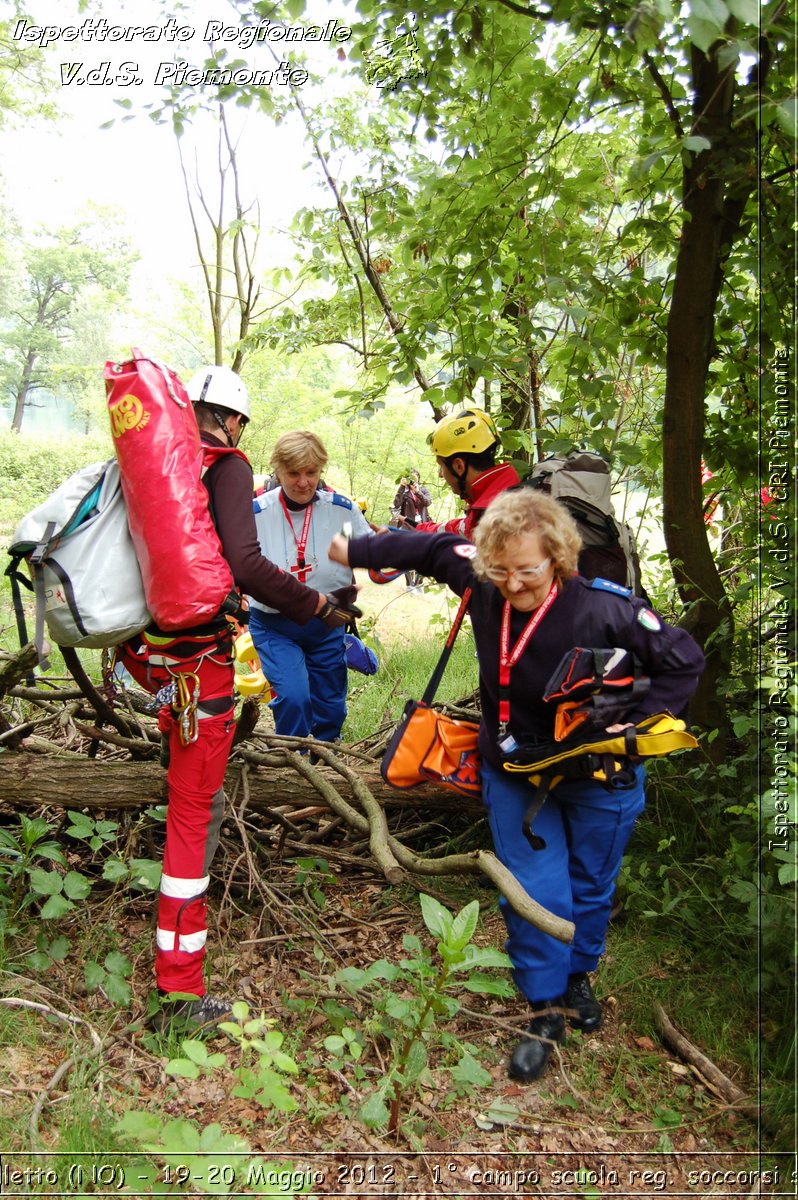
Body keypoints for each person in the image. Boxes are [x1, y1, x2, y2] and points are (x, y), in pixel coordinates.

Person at [328, 488, 704, 1081]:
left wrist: (641, 715)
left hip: (600, 776)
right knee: (534, 889)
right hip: (514, 772)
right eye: (500, 571)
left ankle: (579, 975)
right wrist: (357, 547)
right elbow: (428, 548)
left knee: (590, 883)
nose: (514, 584)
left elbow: (682, 658)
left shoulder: (603, 608)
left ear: (557, 556)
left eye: (527, 571)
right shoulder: (483, 581)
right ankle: (545, 1008)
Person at [118, 368, 358, 1029]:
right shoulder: (223, 463)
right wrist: (316, 605)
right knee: (190, 821)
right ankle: (177, 994)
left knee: (193, 800)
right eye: (240, 425)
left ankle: (201, 909)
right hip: (202, 670)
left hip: (152, 661)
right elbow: (247, 566)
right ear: (229, 419)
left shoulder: (158, 462)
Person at [247, 431, 372, 743]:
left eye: (311, 473)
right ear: (277, 470)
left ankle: (326, 754)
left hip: (328, 621)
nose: (303, 482)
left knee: (330, 705)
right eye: (293, 473)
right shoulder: (258, 513)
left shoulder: (342, 511)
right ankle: (293, 758)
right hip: (274, 624)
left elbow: (371, 552)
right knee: (294, 696)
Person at [416, 408, 521, 540]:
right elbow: (461, 529)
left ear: (459, 466)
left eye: (441, 466)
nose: (440, 474)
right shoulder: (497, 502)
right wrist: (415, 531)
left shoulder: (497, 523)